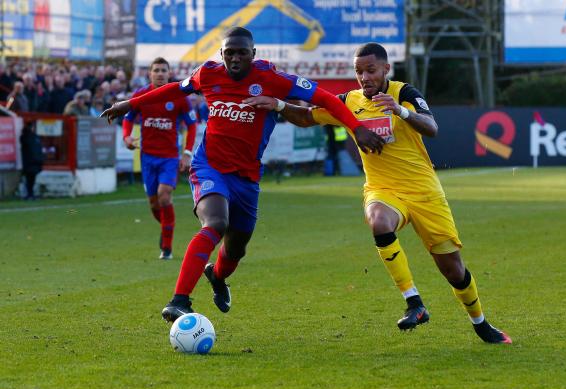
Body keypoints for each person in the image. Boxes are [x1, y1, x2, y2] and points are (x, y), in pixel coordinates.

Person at [100, 27, 382, 322]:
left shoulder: (272, 79)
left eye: (241, 53)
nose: (234, 58)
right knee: (216, 222)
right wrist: (129, 105)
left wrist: (357, 127)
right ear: (221, 54)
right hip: (209, 165)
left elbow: (326, 98)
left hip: (247, 176)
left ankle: (218, 277)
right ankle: (179, 300)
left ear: (253, 54)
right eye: (229, 53)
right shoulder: (207, 74)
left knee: (236, 248)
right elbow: (175, 88)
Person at [243, 42, 511, 344]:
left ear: (386, 69)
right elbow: (307, 117)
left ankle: (480, 323)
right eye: (359, 71)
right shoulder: (348, 100)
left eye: (371, 70)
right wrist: (278, 105)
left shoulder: (404, 93)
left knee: (453, 270)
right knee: (378, 221)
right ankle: (414, 303)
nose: (365, 77)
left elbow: (432, 127)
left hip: (425, 193)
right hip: (383, 190)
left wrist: (400, 111)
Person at [122, 57, 198, 260]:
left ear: (169, 73)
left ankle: (167, 247)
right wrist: (127, 137)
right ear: (150, 74)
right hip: (147, 157)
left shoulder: (179, 97)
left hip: (169, 158)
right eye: (156, 70)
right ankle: (167, 229)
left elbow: (192, 125)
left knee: (164, 196)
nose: (160, 73)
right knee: (154, 204)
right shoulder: (141, 95)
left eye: (164, 70)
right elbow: (127, 118)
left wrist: (187, 153)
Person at [20, 122, 44, 200]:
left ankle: (31, 194)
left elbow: (38, 149)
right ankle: (29, 194)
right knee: (29, 179)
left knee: (32, 179)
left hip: (34, 162)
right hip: (29, 162)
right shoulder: (26, 137)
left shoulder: (35, 137)